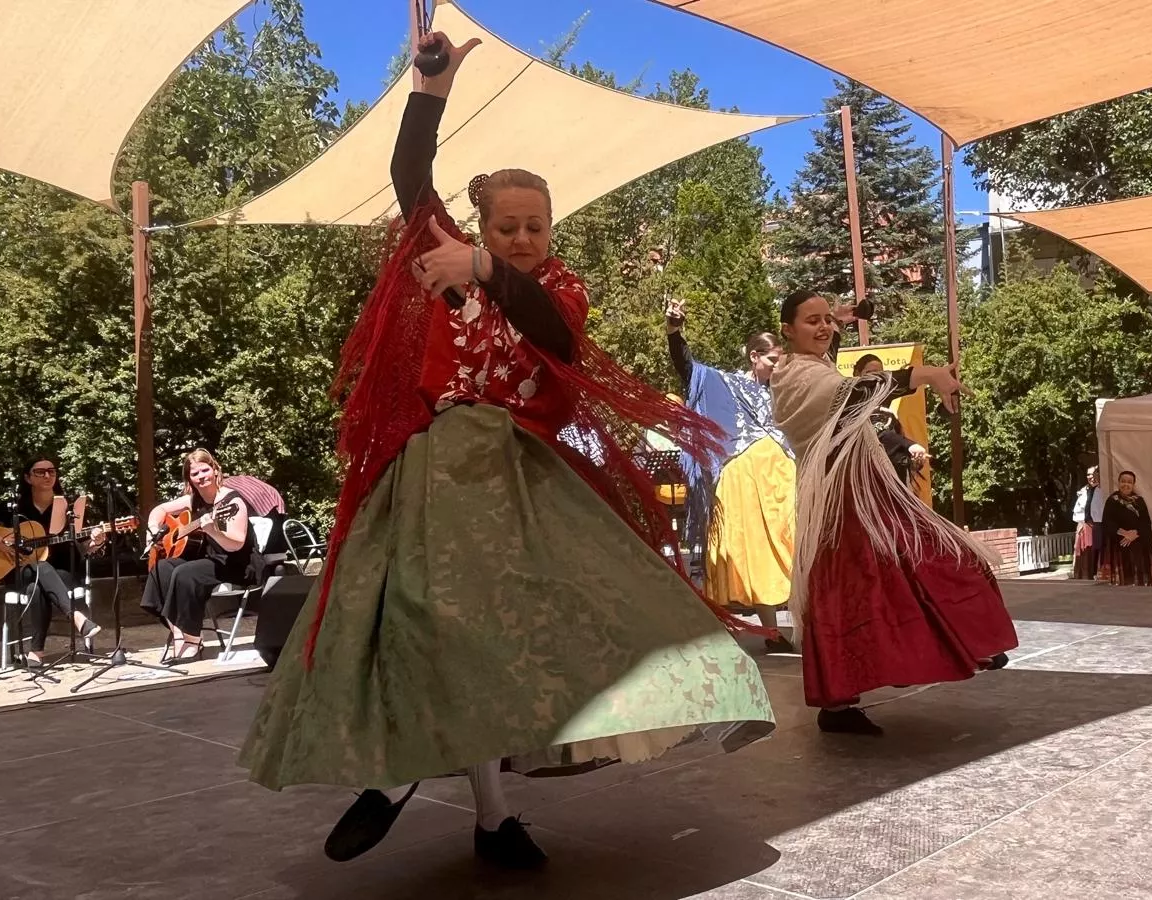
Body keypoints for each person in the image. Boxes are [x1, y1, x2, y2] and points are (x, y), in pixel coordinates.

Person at [238, 32, 773, 873]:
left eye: (534, 227)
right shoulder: (449, 262)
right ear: (481, 220)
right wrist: (431, 93)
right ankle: (426, 788)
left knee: (548, 619)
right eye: (505, 227)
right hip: (432, 475)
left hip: (519, 474)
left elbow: (552, 334)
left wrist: (487, 265)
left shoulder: (549, 284)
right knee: (419, 625)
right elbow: (410, 182)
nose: (522, 238)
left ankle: (484, 800)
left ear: (550, 230)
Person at [769, 290, 1017, 736]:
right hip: (839, 501)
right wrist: (933, 374)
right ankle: (839, 703)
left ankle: (961, 640)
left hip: (866, 488)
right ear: (787, 330)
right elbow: (859, 390)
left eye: (828, 320)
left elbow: (836, 360)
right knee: (853, 590)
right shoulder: (797, 379)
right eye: (812, 321)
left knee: (930, 559)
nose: (824, 328)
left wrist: (840, 318)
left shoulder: (810, 364)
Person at [666, 298, 796, 650]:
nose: (776, 367)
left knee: (797, 544)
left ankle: (811, 625)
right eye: (771, 360)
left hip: (783, 477)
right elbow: (689, 370)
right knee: (757, 552)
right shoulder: (727, 384)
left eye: (779, 362)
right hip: (746, 481)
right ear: (754, 356)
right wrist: (675, 331)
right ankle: (772, 632)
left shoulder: (783, 389)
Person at [0, 457, 103, 667]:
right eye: (40, 472)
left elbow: (86, 545)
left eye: (52, 471)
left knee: (37, 584)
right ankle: (77, 619)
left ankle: (36, 652)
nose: (47, 475)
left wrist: (97, 541)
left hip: (64, 574)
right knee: (39, 569)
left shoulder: (68, 508)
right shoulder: (14, 507)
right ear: (27, 478)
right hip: (21, 572)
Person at [140, 449, 254, 665]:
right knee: (161, 570)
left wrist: (212, 530)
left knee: (186, 573)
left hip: (238, 563)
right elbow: (160, 509)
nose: (201, 477)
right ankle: (178, 633)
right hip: (211, 559)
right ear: (189, 478)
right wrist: (153, 528)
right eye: (195, 474)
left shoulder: (232, 501)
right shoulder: (194, 500)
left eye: (205, 470)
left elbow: (237, 542)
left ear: (215, 469)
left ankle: (193, 640)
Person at [852, 354, 929, 487]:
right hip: (865, 481)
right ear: (857, 374)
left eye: (881, 374)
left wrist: (911, 462)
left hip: (891, 483)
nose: (876, 378)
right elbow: (880, 433)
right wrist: (908, 445)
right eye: (869, 373)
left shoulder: (886, 410)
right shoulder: (855, 405)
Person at [1099, 470, 1152, 586]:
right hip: (1119, 547)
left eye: (1129, 482)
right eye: (1123, 481)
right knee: (1124, 584)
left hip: (1139, 548)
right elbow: (1107, 522)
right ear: (1118, 483)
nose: (1126, 485)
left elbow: (1145, 523)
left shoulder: (1139, 501)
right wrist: (1123, 533)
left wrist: (1135, 533)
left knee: (1140, 582)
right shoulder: (1112, 501)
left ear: (1133, 485)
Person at [1071, 466, 1106, 579]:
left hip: (1098, 525)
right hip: (1085, 526)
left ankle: (1098, 574)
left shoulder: (1103, 490)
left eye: (1094, 474)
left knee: (1097, 550)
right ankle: (1085, 576)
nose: (1091, 477)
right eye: (1088, 474)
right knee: (1084, 553)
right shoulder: (1084, 491)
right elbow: (1079, 511)